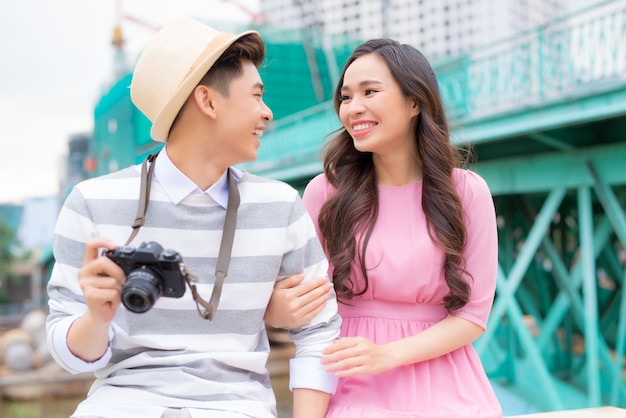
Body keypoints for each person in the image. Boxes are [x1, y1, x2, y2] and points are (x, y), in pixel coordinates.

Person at [45, 16, 341, 418]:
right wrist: (97, 319)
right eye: (256, 96)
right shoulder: (92, 201)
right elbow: (71, 354)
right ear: (208, 101)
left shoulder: (283, 205)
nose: (267, 112)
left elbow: (319, 335)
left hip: (238, 409)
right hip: (122, 406)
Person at [266, 38, 502, 417]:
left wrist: (387, 355)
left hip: (444, 384)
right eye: (345, 97)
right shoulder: (325, 193)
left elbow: (472, 317)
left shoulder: (467, 193)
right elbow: (307, 315)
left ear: (414, 102)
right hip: (346, 379)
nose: (353, 108)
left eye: (370, 92)